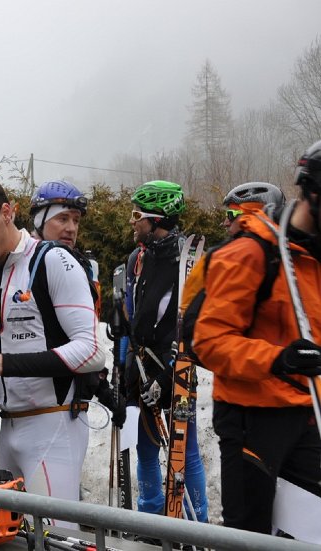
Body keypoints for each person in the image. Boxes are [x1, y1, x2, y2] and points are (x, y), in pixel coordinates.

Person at [0, 173, 105, 531]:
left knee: (56, 538)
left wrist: (2, 363)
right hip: (10, 428)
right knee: (11, 538)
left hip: (54, 424)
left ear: (6, 212)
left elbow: (92, 351)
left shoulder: (53, 260)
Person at [193, 141, 321, 534]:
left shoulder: (314, 258)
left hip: (307, 414)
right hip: (252, 417)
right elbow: (208, 341)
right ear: (314, 193)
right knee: (250, 533)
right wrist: (278, 359)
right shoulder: (251, 253)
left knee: (309, 529)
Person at [123, 180, 208, 524]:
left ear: (156, 219)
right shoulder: (138, 258)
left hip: (175, 365)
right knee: (145, 447)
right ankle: (150, 516)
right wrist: (124, 367)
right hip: (141, 366)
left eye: (137, 216)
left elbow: (192, 324)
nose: (132, 222)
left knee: (185, 449)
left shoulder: (186, 262)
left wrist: (166, 371)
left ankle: (199, 522)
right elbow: (134, 317)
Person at [29, 180, 125, 430]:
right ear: (39, 220)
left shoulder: (78, 264)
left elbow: (78, 338)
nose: (71, 228)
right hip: (36, 404)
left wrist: (101, 386)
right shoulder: (25, 265)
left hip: (69, 405)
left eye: (76, 220)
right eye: (62, 219)